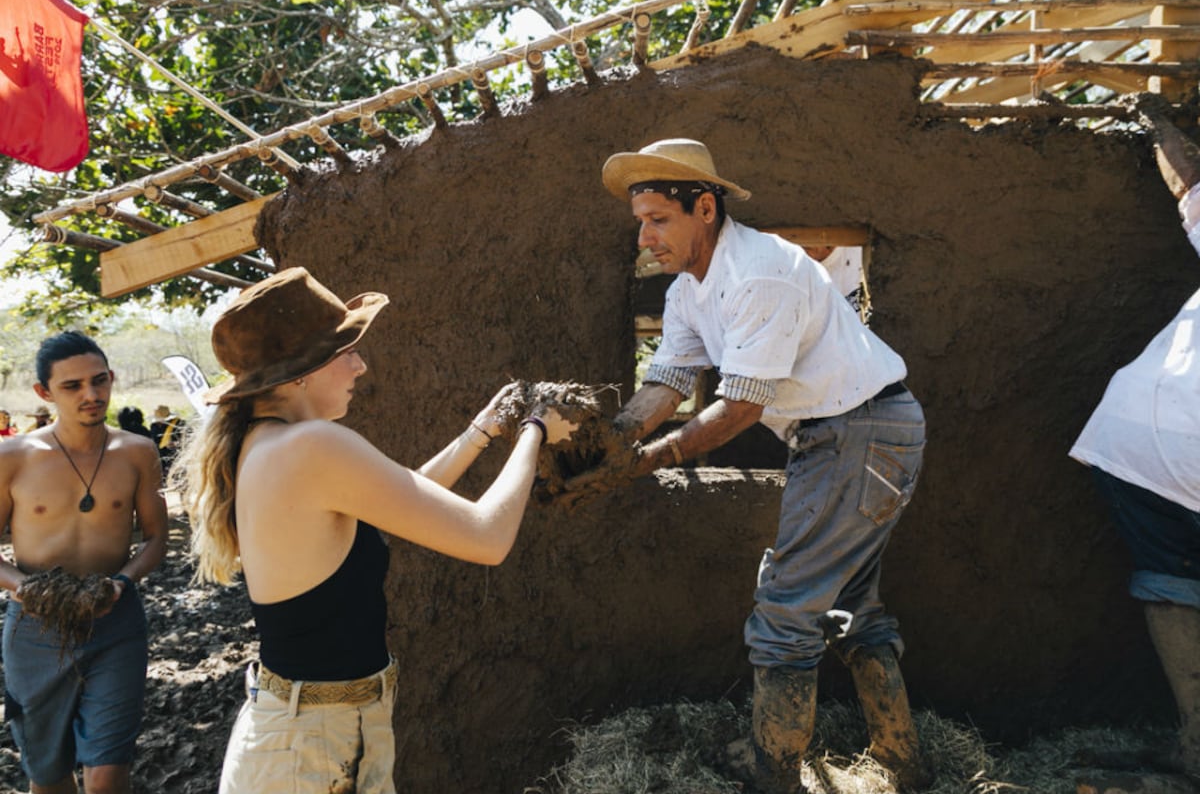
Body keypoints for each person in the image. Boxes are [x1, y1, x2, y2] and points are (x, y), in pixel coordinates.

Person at [574, 138, 930, 792]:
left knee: (786, 613)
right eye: (640, 222)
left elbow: (738, 408)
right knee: (850, 607)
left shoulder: (759, 272)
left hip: (861, 431)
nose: (646, 235)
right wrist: (614, 441)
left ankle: (776, 777)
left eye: (659, 219)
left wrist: (643, 462)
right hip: (846, 434)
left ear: (704, 207)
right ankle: (904, 761)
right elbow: (671, 378)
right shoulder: (688, 292)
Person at [175, 267, 577, 794]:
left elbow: (402, 499)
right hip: (311, 748)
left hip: (310, 734)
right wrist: (537, 430)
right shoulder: (312, 446)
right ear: (302, 371)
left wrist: (481, 433)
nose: (361, 366)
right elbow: (486, 537)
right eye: (347, 351)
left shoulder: (267, 442)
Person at [1069, 96, 1200, 793]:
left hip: (1139, 442)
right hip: (1154, 443)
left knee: (1173, 580)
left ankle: (1195, 747)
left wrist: (1155, 116)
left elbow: (1187, 177)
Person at [0, 331, 168, 794]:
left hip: (116, 622)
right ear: (44, 393)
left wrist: (122, 583)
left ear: (112, 379)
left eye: (99, 381)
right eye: (72, 386)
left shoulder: (137, 451)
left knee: (108, 774)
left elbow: (156, 540)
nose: (91, 395)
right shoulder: (12, 457)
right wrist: (24, 588)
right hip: (34, 628)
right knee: (48, 775)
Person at [148, 405, 184, 475]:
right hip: (158, 456)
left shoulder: (179, 424)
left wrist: (176, 443)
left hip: (174, 455)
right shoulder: (154, 425)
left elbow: (187, 439)